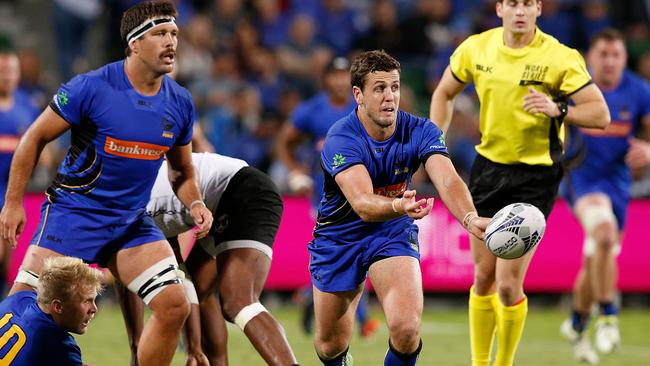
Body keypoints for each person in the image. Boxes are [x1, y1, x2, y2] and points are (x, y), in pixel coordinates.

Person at [0, 2, 213, 366]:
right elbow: (33, 138)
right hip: (74, 213)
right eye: (160, 34)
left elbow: (183, 173)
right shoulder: (91, 87)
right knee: (23, 310)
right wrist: (14, 201)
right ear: (134, 44)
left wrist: (194, 203)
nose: (171, 42)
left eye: (174, 34)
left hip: (130, 222)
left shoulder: (179, 103)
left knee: (174, 304)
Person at [429, 1, 610, 365]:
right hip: (488, 170)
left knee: (509, 285)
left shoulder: (560, 57)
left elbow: (601, 114)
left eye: (528, 3)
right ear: (499, 9)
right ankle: (480, 362)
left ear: (539, 9)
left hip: (535, 178)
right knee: (482, 277)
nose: (520, 11)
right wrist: (434, 142)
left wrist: (559, 109)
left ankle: (504, 362)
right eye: (512, 3)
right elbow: (444, 93)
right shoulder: (476, 49)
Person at [310, 49, 489, 366]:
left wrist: (469, 216)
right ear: (359, 95)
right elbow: (363, 204)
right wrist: (397, 203)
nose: (389, 96)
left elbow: (447, 179)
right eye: (379, 88)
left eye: (394, 87)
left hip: (391, 230)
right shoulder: (341, 137)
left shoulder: (421, 130)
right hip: (340, 236)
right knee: (329, 345)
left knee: (406, 329)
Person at [118, 152, 298, 366]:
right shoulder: (133, 200)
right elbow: (177, 273)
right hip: (227, 193)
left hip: (243, 191)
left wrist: (136, 348)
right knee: (201, 283)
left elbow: (128, 280)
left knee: (238, 301)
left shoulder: (125, 212)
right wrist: (193, 349)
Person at [559, 28, 650, 364]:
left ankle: (577, 323)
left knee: (597, 254)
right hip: (581, 180)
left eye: (616, 55)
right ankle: (609, 315)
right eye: (604, 55)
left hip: (619, 185)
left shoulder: (639, 91)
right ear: (590, 58)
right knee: (603, 233)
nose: (610, 61)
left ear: (625, 59)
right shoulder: (575, 89)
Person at [276, 56, 379, 338]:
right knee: (343, 253)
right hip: (325, 197)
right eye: (333, 75)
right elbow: (285, 142)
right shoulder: (311, 110)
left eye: (343, 75)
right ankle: (356, 316)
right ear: (326, 79)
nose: (338, 80)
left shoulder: (364, 107)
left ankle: (310, 297)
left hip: (361, 192)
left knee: (352, 253)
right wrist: (296, 171)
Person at [0, 256, 104, 365]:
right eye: (87, 301)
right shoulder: (61, 345)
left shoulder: (20, 298)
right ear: (58, 307)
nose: (94, 309)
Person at [0, 46, 39, 296]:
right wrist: (18, 144)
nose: (8, 76)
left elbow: (37, 141)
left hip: (12, 188)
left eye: (12, 71)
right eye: (3, 71)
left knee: (8, 252)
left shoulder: (27, 104)